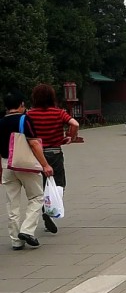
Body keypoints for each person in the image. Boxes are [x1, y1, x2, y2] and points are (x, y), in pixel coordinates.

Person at [0, 91, 54, 249]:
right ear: (21, 105)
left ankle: (16, 240)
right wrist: (45, 165)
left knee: (12, 203)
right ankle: (27, 230)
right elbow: (34, 144)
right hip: (26, 164)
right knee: (37, 197)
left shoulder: (1, 122)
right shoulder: (24, 119)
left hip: (7, 164)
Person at [27, 84, 80, 235]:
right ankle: (50, 210)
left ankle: (44, 209)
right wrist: (71, 136)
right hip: (55, 153)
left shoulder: (30, 114)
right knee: (59, 184)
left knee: (41, 185)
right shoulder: (58, 112)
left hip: (36, 154)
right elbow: (74, 123)